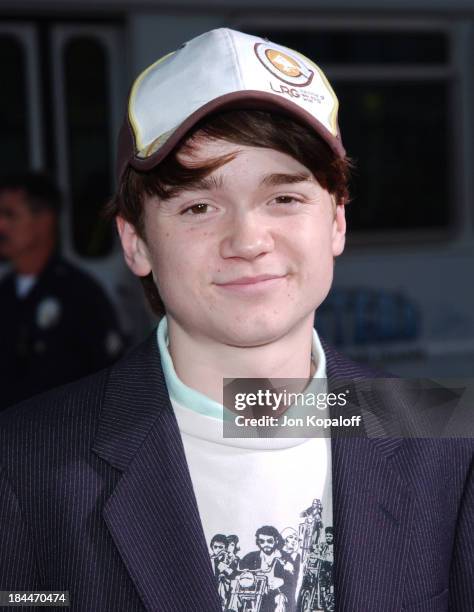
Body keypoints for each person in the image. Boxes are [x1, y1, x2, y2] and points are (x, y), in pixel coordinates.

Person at [0, 28, 473, 612]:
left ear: (337, 223)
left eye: (285, 198)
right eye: (199, 206)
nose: (248, 241)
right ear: (136, 242)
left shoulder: (447, 437)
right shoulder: (23, 466)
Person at [0, 172, 125, 409]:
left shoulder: (79, 295)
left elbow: (108, 378)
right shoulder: (4, 294)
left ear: (44, 221)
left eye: (10, 215)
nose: (1, 225)